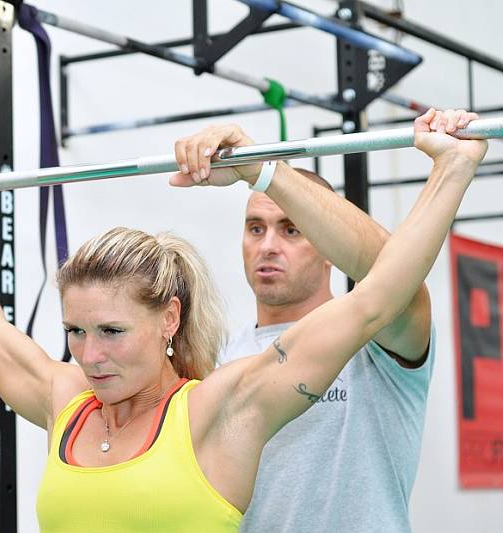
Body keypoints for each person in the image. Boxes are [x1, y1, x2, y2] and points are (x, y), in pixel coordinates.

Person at [0, 109, 486, 532]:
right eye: (75, 332)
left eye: (111, 331)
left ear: (169, 318)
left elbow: (383, 298)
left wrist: (450, 170)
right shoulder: (165, 380)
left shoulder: (227, 400)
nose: (88, 355)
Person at [170, 108, 480, 532]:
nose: (268, 246)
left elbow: (393, 282)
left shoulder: (374, 340)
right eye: (255, 228)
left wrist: (264, 172)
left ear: (326, 242)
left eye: (292, 229)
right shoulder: (218, 360)